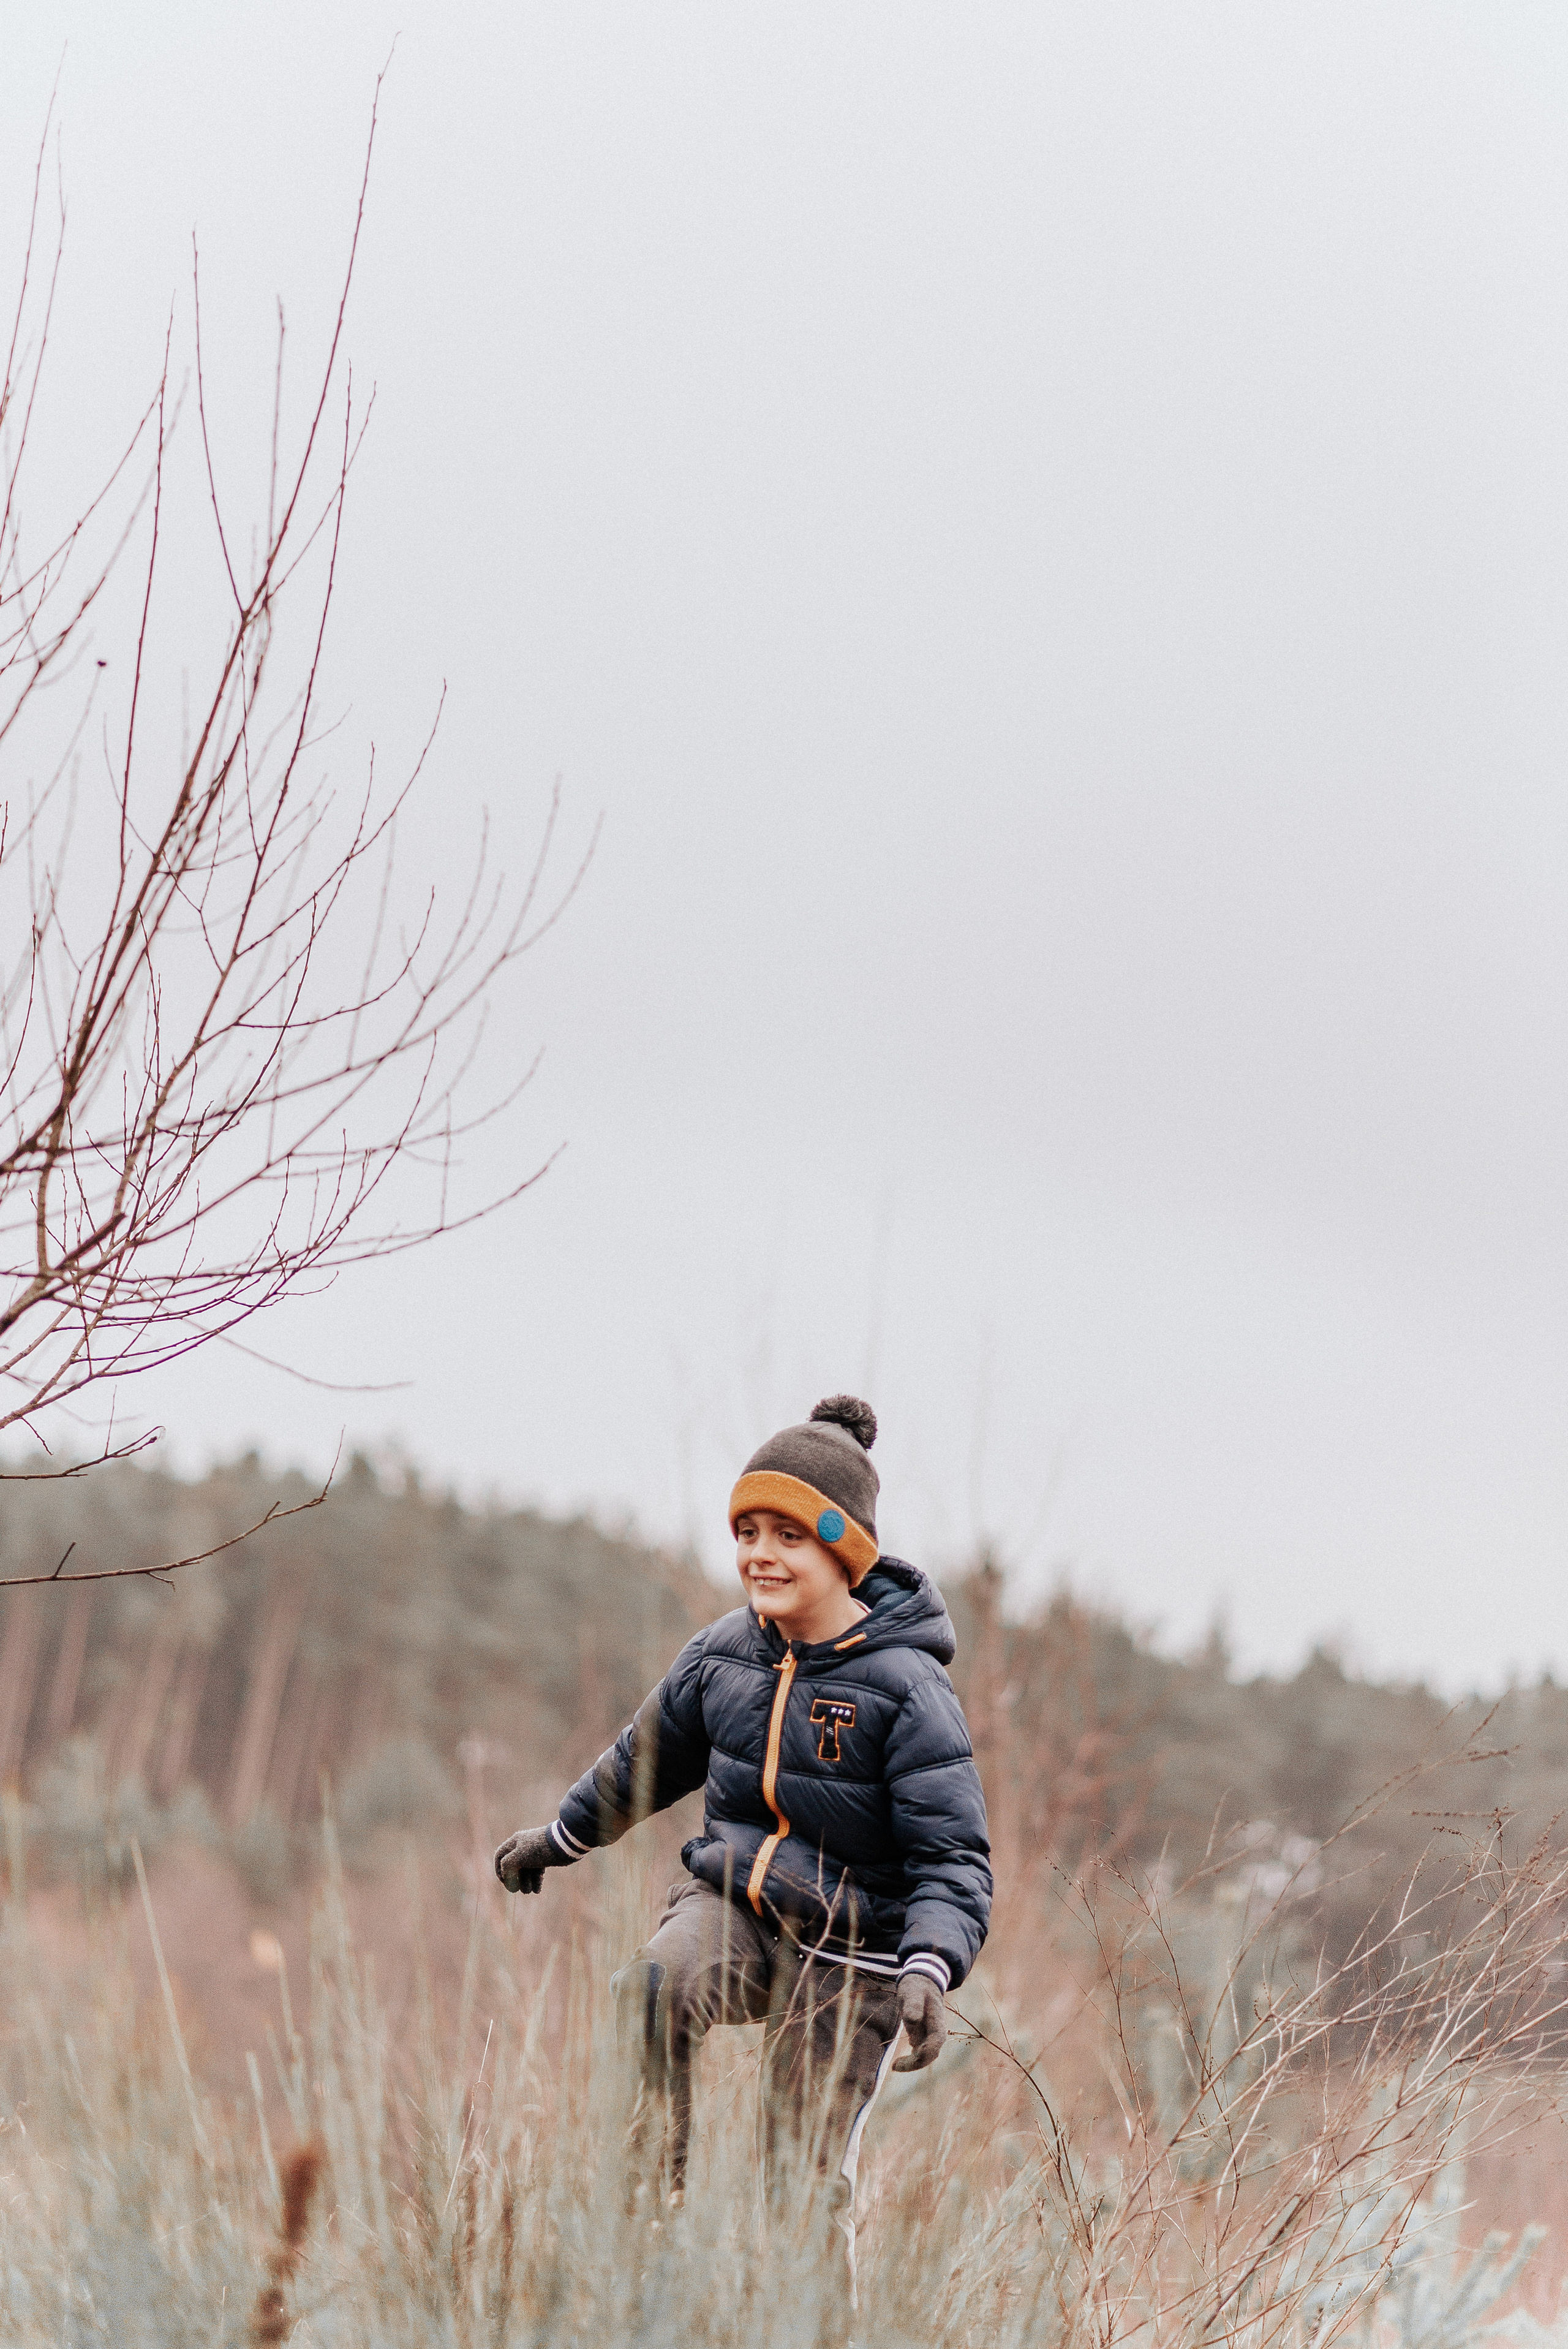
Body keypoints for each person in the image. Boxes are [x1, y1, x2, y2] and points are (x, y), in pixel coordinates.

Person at [494, 1394, 992, 2275]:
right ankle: (651, 2224)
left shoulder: (908, 1688)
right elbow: (638, 1762)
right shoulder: (722, 1654)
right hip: (739, 1906)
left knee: (797, 2187)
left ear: (844, 1551)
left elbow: (952, 1856)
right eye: (747, 1530)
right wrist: (559, 1837)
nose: (760, 1552)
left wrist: (929, 1964)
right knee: (650, 1988)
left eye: (788, 1535)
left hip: (859, 1950)